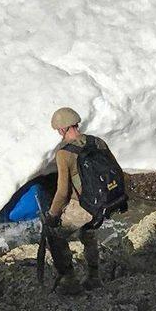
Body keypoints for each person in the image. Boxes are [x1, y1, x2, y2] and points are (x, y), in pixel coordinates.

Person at [44, 107, 124, 295]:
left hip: (83, 205)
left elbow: (63, 191)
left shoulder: (64, 153)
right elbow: (116, 169)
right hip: (103, 202)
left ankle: (69, 280)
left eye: (58, 131)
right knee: (88, 235)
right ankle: (94, 277)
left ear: (62, 129)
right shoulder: (97, 141)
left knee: (56, 236)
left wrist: (53, 214)